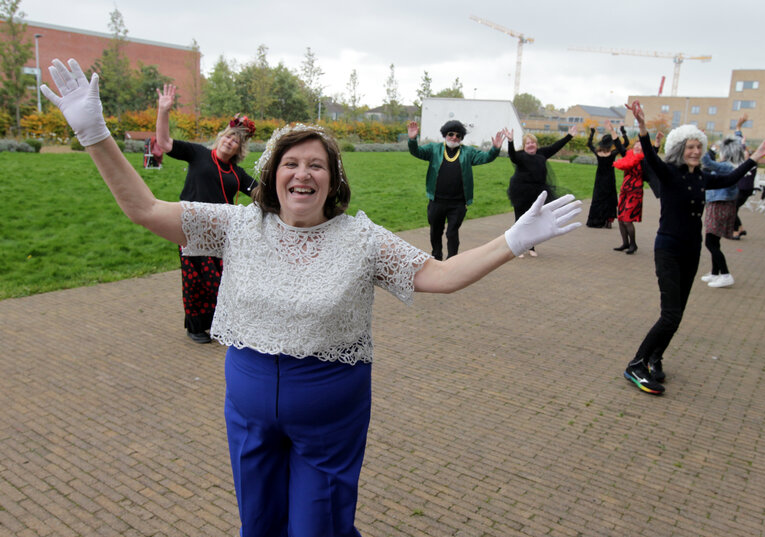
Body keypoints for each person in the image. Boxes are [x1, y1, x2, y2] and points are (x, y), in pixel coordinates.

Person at [42, 58, 582, 537]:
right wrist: (95, 133)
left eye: (316, 165)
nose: (302, 174)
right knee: (258, 523)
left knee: (317, 525)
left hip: (330, 414)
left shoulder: (361, 237)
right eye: (291, 163)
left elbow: (438, 274)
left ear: (332, 180)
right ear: (273, 173)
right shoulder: (236, 225)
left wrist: (512, 241)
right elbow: (144, 208)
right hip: (248, 409)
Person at [622, 100, 765, 395]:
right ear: (679, 148)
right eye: (689, 146)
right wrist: (642, 126)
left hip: (691, 252)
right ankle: (636, 364)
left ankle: (655, 358)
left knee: (678, 313)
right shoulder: (669, 173)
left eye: (699, 146)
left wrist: (754, 157)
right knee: (669, 314)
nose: (695, 151)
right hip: (667, 250)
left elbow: (730, 178)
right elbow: (649, 157)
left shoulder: (701, 177)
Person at [156, 83, 259, 343]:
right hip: (190, 227)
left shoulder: (238, 174)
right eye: (228, 137)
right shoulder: (198, 154)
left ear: (239, 149)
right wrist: (163, 111)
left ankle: (219, 323)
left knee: (221, 279)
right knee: (197, 279)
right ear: (220, 138)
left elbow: (261, 193)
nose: (230, 141)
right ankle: (195, 327)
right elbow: (165, 143)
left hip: (221, 233)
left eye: (236, 141)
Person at [407, 119, 504, 260]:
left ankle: (452, 260)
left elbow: (485, 157)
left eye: (458, 135)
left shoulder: (468, 152)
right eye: (451, 134)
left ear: (461, 138)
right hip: (437, 201)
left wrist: (495, 149)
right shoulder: (434, 149)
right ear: (445, 134)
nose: (454, 137)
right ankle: (436, 256)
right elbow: (416, 151)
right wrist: (412, 139)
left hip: (458, 203)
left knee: (452, 232)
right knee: (435, 231)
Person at [502, 125, 579, 257]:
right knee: (520, 219)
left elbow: (556, 146)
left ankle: (531, 247)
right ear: (524, 145)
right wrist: (510, 141)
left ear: (536, 144)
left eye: (533, 142)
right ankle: (517, 247)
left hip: (537, 191)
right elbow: (512, 156)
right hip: (520, 191)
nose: (531, 145)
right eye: (528, 143)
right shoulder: (520, 156)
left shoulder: (542, 153)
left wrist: (569, 136)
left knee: (533, 219)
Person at [699, 117, 748, 288]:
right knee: (714, 241)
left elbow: (706, 162)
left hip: (720, 206)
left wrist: (701, 141)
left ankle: (725, 274)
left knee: (710, 243)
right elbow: (738, 144)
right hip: (717, 205)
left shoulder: (727, 166)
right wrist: (738, 129)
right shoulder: (730, 164)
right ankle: (715, 273)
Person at [612, 131, 663, 254]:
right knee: (620, 218)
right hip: (625, 190)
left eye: (640, 145)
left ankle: (633, 244)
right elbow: (619, 145)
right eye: (636, 144)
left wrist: (657, 142)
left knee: (627, 219)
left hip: (635, 191)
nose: (637, 146)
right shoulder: (628, 156)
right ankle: (625, 243)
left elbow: (653, 153)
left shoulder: (644, 159)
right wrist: (612, 130)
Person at [586, 119, 629, 229]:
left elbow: (589, 144)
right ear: (610, 144)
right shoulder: (612, 153)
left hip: (599, 178)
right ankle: (608, 220)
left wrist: (592, 131)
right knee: (609, 198)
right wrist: (622, 130)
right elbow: (626, 144)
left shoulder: (597, 152)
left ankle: (596, 220)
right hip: (610, 178)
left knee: (598, 198)